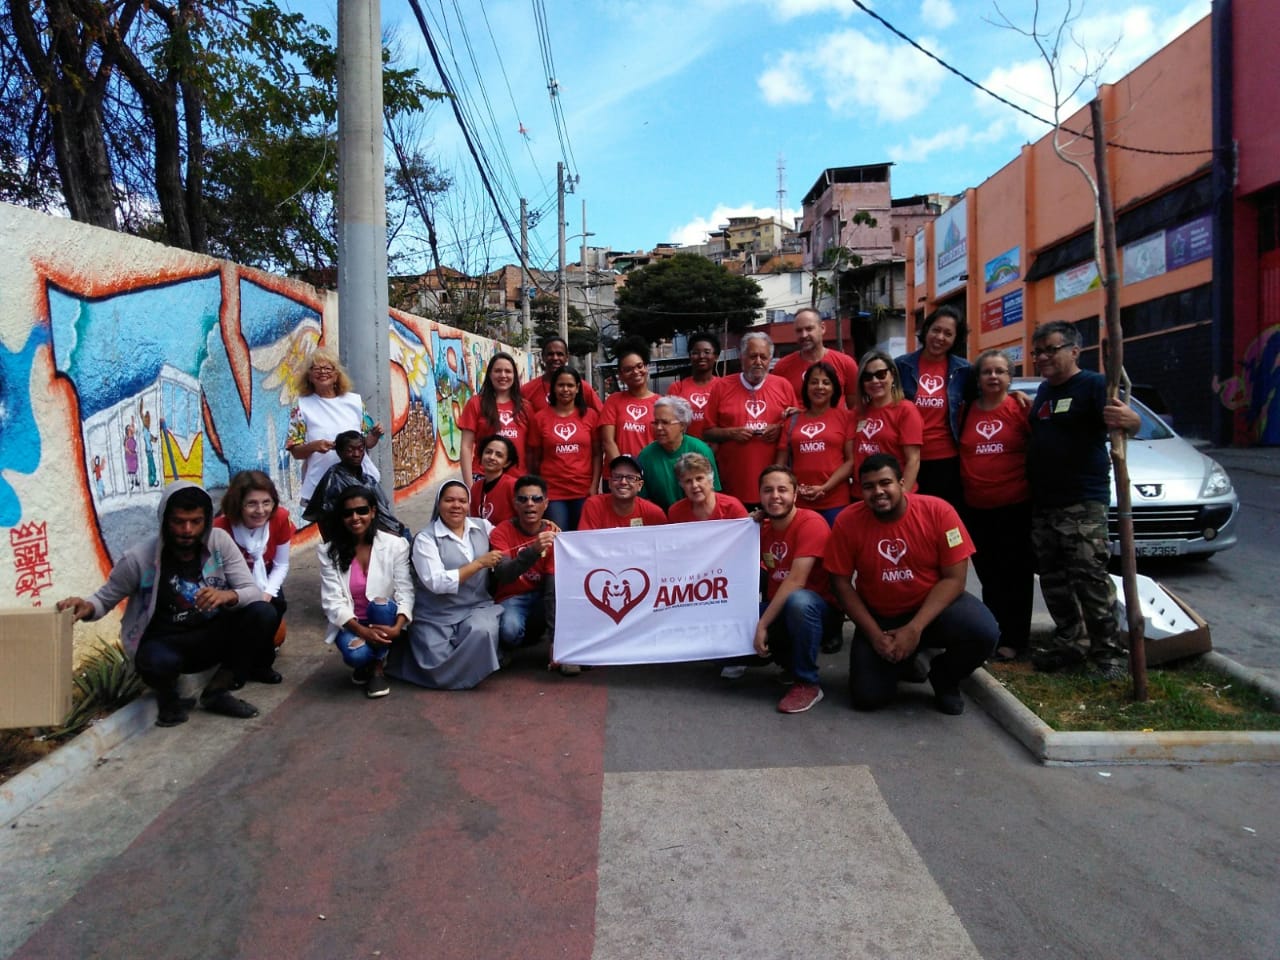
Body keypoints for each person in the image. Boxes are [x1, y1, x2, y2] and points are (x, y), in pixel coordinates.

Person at [56, 482, 277, 727]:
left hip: (214, 636)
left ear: (206, 521)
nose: (187, 530)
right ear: (164, 521)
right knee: (154, 660)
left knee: (264, 613)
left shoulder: (219, 542)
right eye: (178, 521)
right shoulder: (139, 558)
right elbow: (104, 599)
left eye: (195, 521)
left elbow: (253, 592)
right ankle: (169, 701)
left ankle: (217, 690)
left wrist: (228, 596)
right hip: (168, 643)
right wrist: (86, 607)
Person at [825, 454, 998, 715]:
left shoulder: (939, 511)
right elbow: (840, 583)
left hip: (932, 611)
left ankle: (945, 677)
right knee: (868, 698)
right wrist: (874, 635)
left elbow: (955, 579)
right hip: (880, 618)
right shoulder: (848, 521)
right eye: (869, 486)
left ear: (902, 483)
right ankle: (904, 662)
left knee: (984, 631)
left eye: (886, 483)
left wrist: (914, 629)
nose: (878, 492)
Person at [1026, 320, 1141, 680]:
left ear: (1075, 351)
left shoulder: (1092, 385)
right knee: (1054, 580)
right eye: (1038, 351)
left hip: (1082, 502)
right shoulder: (1044, 391)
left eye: (1050, 349)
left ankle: (1108, 655)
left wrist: (1132, 419)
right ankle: (1070, 644)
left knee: (1090, 579)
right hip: (1044, 503)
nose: (1042, 357)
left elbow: (1128, 423)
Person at [388, 479, 502, 689]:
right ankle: (476, 666)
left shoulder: (482, 526)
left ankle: (475, 662)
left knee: (482, 631)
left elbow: (508, 539)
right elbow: (437, 582)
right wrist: (478, 564)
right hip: (436, 613)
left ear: (469, 504)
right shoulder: (425, 539)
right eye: (449, 500)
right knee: (435, 661)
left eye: (462, 501)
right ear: (438, 504)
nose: (456, 506)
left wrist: (542, 529)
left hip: (474, 607)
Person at [958, 348, 1034, 662]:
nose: (993, 376)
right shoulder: (964, 411)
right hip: (976, 507)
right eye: (987, 371)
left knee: (1015, 575)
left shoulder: (1020, 409)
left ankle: (1016, 639)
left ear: (1009, 377)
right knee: (990, 576)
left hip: (1015, 506)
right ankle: (993, 633)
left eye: (1000, 371)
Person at [753, 466, 844, 714]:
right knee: (731, 639)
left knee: (798, 601)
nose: (775, 496)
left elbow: (796, 581)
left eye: (782, 490)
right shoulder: (761, 529)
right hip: (781, 608)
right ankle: (788, 664)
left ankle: (808, 683)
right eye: (768, 490)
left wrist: (761, 626)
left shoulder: (811, 523)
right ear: (759, 496)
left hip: (818, 612)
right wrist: (748, 525)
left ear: (795, 495)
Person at [317, 487, 413, 699]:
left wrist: (398, 627)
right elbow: (332, 602)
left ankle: (377, 668)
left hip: (384, 617)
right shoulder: (329, 551)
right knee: (356, 655)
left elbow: (405, 589)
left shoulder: (395, 545)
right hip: (353, 623)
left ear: (373, 512)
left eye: (361, 510)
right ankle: (368, 662)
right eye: (347, 513)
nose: (355, 517)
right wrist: (363, 632)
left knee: (379, 603)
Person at [703, 332, 799, 509]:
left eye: (763, 357)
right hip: (733, 484)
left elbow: (796, 427)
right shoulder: (721, 386)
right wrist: (731, 433)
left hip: (774, 490)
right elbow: (707, 432)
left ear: (770, 359)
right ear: (742, 357)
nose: (758, 362)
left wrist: (779, 428)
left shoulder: (783, 385)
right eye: (753, 356)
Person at [286, 347, 385, 508]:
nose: (322, 372)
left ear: (337, 374)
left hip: (358, 482)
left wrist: (374, 435)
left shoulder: (355, 402)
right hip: (322, 485)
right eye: (316, 368)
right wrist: (314, 446)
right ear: (309, 376)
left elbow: (366, 444)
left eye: (328, 368)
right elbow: (295, 451)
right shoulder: (301, 406)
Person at [895, 306, 971, 506]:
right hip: (906, 457)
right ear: (926, 330)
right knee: (909, 513)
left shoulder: (964, 370)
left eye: (948, 333)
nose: (940, 337)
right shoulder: (900, 366)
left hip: (946, 459)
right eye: (936, 330)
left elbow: (984, 401)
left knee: (944, 514)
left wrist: (1014, 394)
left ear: (956, 339)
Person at [489, 475, 563, 670]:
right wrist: (534, 551)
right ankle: (518, 643)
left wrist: (556, 642)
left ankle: (553, 643)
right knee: (510, 631)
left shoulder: (554, 534)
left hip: (542, 597)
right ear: (515, 503)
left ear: (546, 504)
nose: (530, 504)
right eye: (523, 499)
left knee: (562, 601)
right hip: (512, 596)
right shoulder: (501, 532)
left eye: (537, 499)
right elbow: (504, 574)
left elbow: (552, 589)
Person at [214, 470, 294, 646]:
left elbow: (281, 564)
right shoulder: (219, 528)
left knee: (277, 605)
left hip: (265, 574)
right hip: (232, 581)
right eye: (251, 504)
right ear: (238, 504)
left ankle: (264, 650)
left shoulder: (280, 518)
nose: (260, 510)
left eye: (267, 502)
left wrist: (265, 596)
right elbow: (214, 573)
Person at [775, 361, 856, 527]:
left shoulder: (845, 417)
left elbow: (851, 461)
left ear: (834, 388)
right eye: (814, 382)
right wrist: (793, 489)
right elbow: (780, 464)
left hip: (835, 502)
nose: (820, 387)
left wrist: (825, 487)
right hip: (800, 501)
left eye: (826, 382)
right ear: (806, 387)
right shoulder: (792, 421)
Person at [525, 366, 601, 532]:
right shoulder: (540, 418)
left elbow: (596, 454)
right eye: (560, 385)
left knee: (584, 539)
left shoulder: (590, 416)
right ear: (553, 388)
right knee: (559, 540)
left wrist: (594, 485)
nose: (565, 389)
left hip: (583, 491)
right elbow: (535, 457)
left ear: (578, 388)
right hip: (553, 493)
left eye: (570, 385)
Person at [304, 431, 406, 540]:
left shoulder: (368, 479)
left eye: (360, 449)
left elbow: (382, 509)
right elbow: (328, 521)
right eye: (350, 450)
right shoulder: (334, 480)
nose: (356, 454)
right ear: (339, 452)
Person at [852, 350, 923, 492]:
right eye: (867, 377)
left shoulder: (906, 410)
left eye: (881, 374)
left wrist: (901, 497)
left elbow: (913, 460)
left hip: (893, 495)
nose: (875, 381)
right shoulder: (856, 412)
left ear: (892, 375)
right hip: (861, 494)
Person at [635, 396, 721, 512]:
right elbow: (641, 500)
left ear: (682, 425)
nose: (659, 428)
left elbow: (714, 494)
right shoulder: (646, 456)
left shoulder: (700, 450)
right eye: (656, 422)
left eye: (665, 422)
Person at [459, 352, 527, 483]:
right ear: (489, 374)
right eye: (497, 371)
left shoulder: (525, 407)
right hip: (483, 477)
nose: (503, 375)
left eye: (508, 371)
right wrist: (469, 485)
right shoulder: (476, 403)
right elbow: (466, 447)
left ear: (514, 376)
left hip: (517, 480)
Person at [770, 308, 859, 408]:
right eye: (799, 330)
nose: (804, 335)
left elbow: (855, 408)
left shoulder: (846, 363)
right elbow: (776, 406)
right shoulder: (782, 367)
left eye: (809, 329)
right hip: (796, 423)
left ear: (822, 328)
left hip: (836, 422)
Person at [599, 338, 658, 461]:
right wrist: (623, 471)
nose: (635, 372)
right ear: (620, 376)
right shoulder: (613, 400)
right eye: (628, 369)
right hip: (617, 476)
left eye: (639, 366)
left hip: (649, 474)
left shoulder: (660, 403)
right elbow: (608, 441)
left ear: (646, 367)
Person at [579, 455, 669, 529]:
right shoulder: (594, 506)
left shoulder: (654, 514)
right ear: (609, 483)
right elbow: (584, 544)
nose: (623, 482)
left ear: (640, 485)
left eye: (630, 478)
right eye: (617, 477)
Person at [521, 336, 603, 414]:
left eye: (560, 354)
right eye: (550, 354)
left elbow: (602, 417)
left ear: (567, 357)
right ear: (543, 356)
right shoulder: (527, 390)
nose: (555, 358)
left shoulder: (583, 388)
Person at [666, 331, 721, 439]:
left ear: (716, 356)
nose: (701, 356)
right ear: (690, 356)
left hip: (717, 451)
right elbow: (670, 422)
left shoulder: (724, 386)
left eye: (707, 352)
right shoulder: (677, 388)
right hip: (685, 451)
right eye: (695, 352)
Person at [667, 452, 748, 522]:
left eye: (699, 478)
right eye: (688, 481)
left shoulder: (732, 508)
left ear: (711, 480)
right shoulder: (675, 512)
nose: (694, 485)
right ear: (682, 485)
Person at [469, 434, 519, 527]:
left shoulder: (512, 485)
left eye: (499, 455)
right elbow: (474, 521)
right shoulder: (476, 488)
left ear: (507, 463)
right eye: (488, 452)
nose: (492, 457)